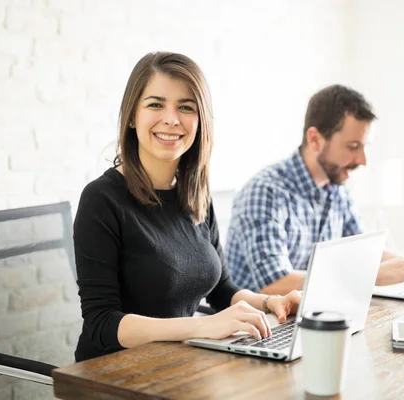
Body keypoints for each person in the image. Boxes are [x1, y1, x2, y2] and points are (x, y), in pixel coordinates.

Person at [73, 52, 301, 362]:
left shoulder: (195, 197)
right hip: (115, 373)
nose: (172, 118)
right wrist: (201, 326)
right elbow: (102, 323)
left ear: (200, 121)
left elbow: (222, 289)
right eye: (155, 104)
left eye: (185, 107)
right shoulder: (101, 200)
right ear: (131, 116)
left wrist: (270, 302)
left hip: (180, 362)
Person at [225, 84, 404, 295]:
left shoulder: (335, 188)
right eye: (352, 146)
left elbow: (368, 250)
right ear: (315, 139)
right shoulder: (265, 192)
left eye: (364, 147)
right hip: (260, 327)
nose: (363, 160)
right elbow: (274, 282)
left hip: (311, 316)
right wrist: (372, 276)